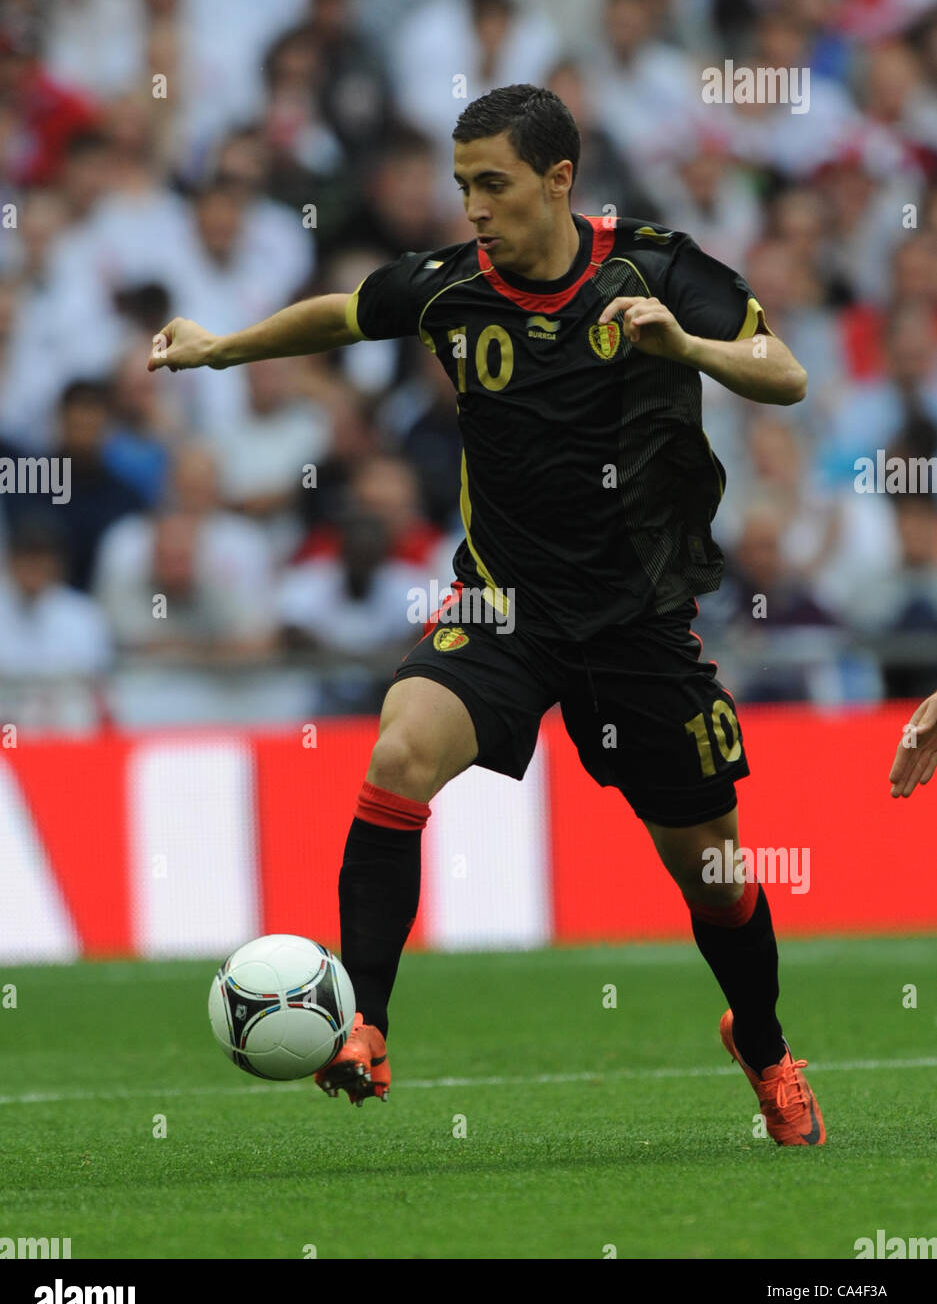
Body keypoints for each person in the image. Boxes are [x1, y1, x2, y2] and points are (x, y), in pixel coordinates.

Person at [148, 84, 824, 1146]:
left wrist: (681, 348)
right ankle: (364, 1022)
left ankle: (765, 1044)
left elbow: (781, 373)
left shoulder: (655, 267)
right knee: (398, 751)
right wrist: (222, 347)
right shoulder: (452, 286)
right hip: (502, 605)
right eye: (461, 184)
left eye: (492, 184)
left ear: (557, 181)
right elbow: (345, 312)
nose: (471, 206)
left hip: (640, 620)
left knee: (716, 874)